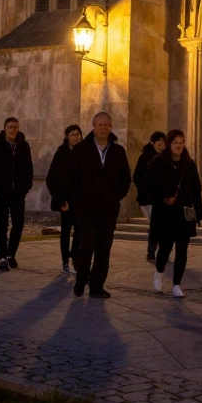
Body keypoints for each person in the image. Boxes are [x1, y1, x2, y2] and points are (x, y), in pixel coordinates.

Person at [70, 112, 131, 298]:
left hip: (108, 210)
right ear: (93, 126)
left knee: (104, 250)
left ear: (111, 127)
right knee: (87, 245)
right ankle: (82, 279)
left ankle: (96, 286)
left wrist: (115, 198)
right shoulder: (81, 150)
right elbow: (70, 177)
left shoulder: (118, 151)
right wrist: (77, 201)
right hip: (86, 209)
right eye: (100, 124)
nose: (103, 128)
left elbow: (125, 178)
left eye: (107, 125)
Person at [147, 129, 202, 298]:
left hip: (184, 213)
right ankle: (159, 272)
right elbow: (150, 187)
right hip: (165, 213)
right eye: (175, 143)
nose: (179, 146)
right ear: (169, 144)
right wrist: (164, 198)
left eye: (181, 142)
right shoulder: (159, 162)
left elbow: (196, 190)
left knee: (182, 250)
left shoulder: (189, 164)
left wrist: (198, 213)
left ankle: (177, 285)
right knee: (165, 247)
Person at [0, 117, 34, 271]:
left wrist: (26, 187)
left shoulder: (24, 146)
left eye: (15, 127)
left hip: (18, 193)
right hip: (0, 192)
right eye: (10, 127)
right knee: (1, 225)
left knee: (18, 223)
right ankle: (3, 257)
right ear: (5, 128)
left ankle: (11, 253)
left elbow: (28, 168)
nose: (13, 130)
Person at [45, 124, 83, 274]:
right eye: (73, 134)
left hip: (80, 200)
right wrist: (61, 200)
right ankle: (65, 260)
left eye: (78, 134)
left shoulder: (84, 152)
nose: (76, 137)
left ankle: (74, 255)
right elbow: (52, 179)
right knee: (66, 231)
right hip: (66, 200)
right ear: (67, 136)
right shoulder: (61, 153)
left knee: (80, 229)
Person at [134, 131, 167, 262]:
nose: (162, 144)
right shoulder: (145, 157)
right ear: (153, 142)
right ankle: (151, 251)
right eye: (159, 141)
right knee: (154, 224)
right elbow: (137, 176)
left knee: (161, 224)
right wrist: (144, 188)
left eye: (163, 141)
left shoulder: (166, 157)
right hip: (149, 197)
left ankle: (162, 249)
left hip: (163, 198)